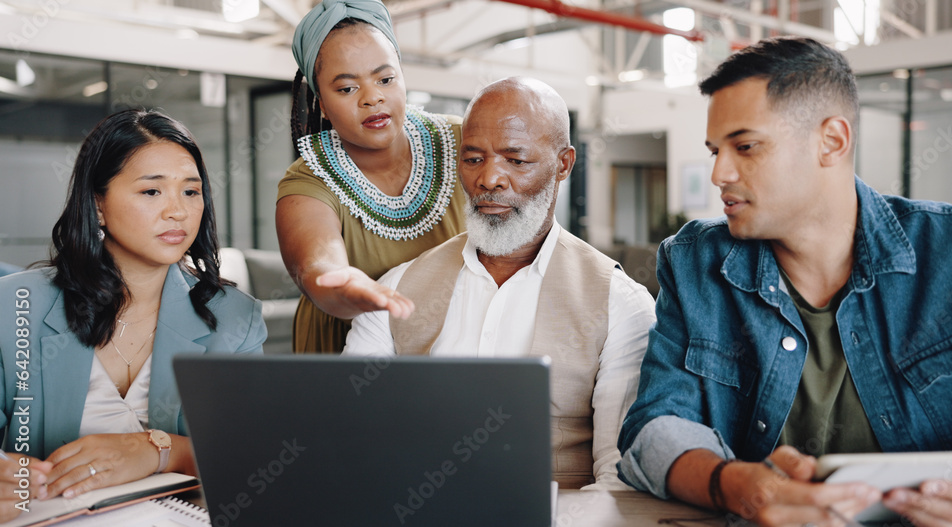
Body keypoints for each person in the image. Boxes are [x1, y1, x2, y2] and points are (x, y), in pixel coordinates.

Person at [617, 36, 952, 527]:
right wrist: (735, 485)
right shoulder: (694, 264)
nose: (719, 172)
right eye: (715, 151)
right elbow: (655, 427)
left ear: (832, 141)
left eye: (745, 146)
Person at [344, 77, 656, 489]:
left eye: (516, 160)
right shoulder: (396, 289)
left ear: (563, 164)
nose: (490, 179)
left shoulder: (620, 304)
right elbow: (350, 435)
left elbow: (617, 479)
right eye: (473, 160)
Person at [0, 109, 266, 521]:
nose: (177, 211)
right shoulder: (17, 305)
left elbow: (253, 456)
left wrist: (158, 450)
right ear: (98, 204)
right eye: (151, 192)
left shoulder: (235, 317)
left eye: (191, 192)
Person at [276, 0, 465, 353]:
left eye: (386, 79)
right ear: (322, 104)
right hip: (348, 356)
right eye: (347, 88)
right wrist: (342, 286)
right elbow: (317, 264)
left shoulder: (462, 142)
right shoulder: (307, 182)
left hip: (452, 342)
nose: (373, 97)